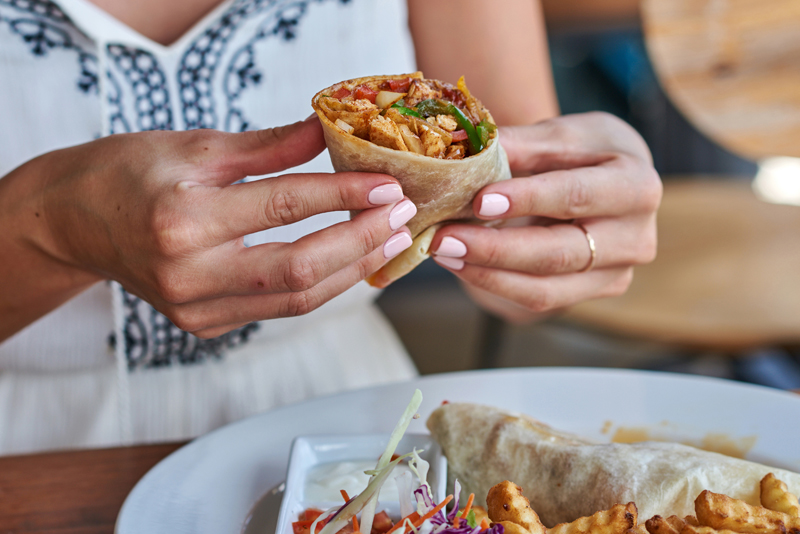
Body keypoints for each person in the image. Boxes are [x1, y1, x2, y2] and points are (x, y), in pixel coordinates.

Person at [0, 0, 661, 454]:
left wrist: (566, 207)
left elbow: (507, 203)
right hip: (28, 453)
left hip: (347, 426)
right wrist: (48, 230)